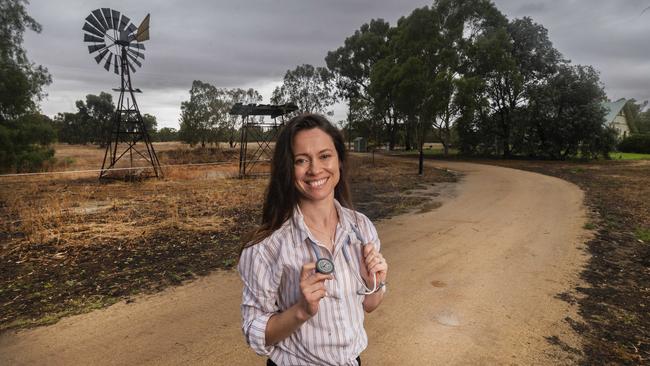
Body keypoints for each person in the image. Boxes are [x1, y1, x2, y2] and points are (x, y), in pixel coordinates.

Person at [238, 113, 388, 366]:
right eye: (301, 160)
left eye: (325, 156)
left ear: (339, 160)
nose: (315, 169)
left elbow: (369, 305)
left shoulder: (361, 228)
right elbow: (254, 330)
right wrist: (301, 310)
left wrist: (374, 281)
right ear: (288, 168)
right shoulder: (267, 247)